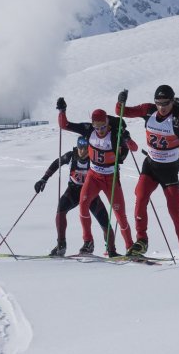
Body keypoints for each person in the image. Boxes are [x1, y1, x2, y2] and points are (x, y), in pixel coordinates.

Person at [122, 85, 179, 264]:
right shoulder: (148, 110)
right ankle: (141, 241)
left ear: (172, 101)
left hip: (169, 170)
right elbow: (122, 112)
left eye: (166, 103)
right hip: (151, 165)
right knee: (140, 197)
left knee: (175, 209)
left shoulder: (178, 115)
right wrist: (121, 101)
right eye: (158, 103)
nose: (162, 107)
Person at [44, 105, 137, 255]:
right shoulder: (88, 130)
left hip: (111, 178)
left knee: (120, 215)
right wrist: (62, 111)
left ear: (107, 122)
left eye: (103, 127)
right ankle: (88, 242)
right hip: (93, 176)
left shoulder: (115, 134)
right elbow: (64, 125)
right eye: (97, 127)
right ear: (92, 124)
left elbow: (134, 148)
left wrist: (126, 139)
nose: (100, 130)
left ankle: (130, 247)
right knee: (83, 204)